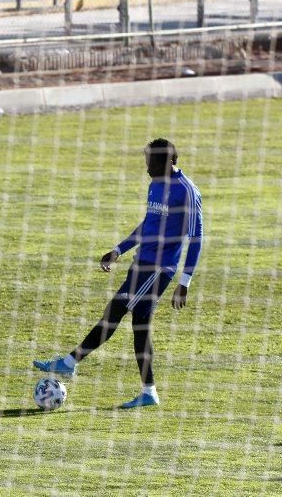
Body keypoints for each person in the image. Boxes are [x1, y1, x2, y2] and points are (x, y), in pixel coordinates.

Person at [33, 138, 204, 409]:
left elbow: (196, 237)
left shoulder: (186, 191)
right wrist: (119, 249)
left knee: (116, 311)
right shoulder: (155, 185)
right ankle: (147, 392)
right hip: (142, 264)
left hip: (159, 268)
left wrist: (185, 282)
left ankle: (70, 363)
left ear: (168, 163)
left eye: (151, 163)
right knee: (139, 327)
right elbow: (148, 224)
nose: (147, 168)